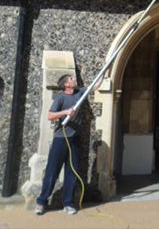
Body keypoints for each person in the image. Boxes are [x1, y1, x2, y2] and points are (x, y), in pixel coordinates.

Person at [35, 73, 101, 215]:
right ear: (66, 84)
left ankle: (68, 203)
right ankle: (41, 202)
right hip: (61, 139)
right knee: (52, 172)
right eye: (71, 79)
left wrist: (105, 71)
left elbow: (95, 86)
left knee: (72, 172)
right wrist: (66, 112)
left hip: (75, 139)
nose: (74, 80)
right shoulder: (61, 97)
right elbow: (50, 115)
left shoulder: (79, 93)